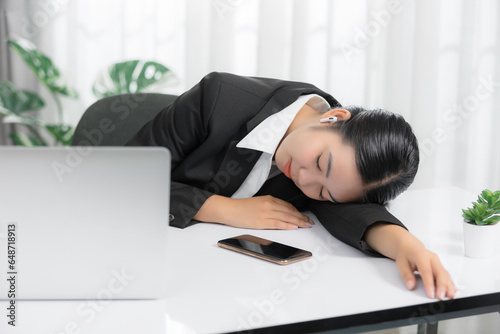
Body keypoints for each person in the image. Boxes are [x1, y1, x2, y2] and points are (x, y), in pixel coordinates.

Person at [126, 71, 457, 300]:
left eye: (324, 192)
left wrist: (407, 247)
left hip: (222, 280)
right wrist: (224, 209)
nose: (304, 179)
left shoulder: (340, 172)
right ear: (334, 118)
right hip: (136, 261)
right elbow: (125, 179)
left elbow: (355, 212)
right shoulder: (218, 98)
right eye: (319, 162)